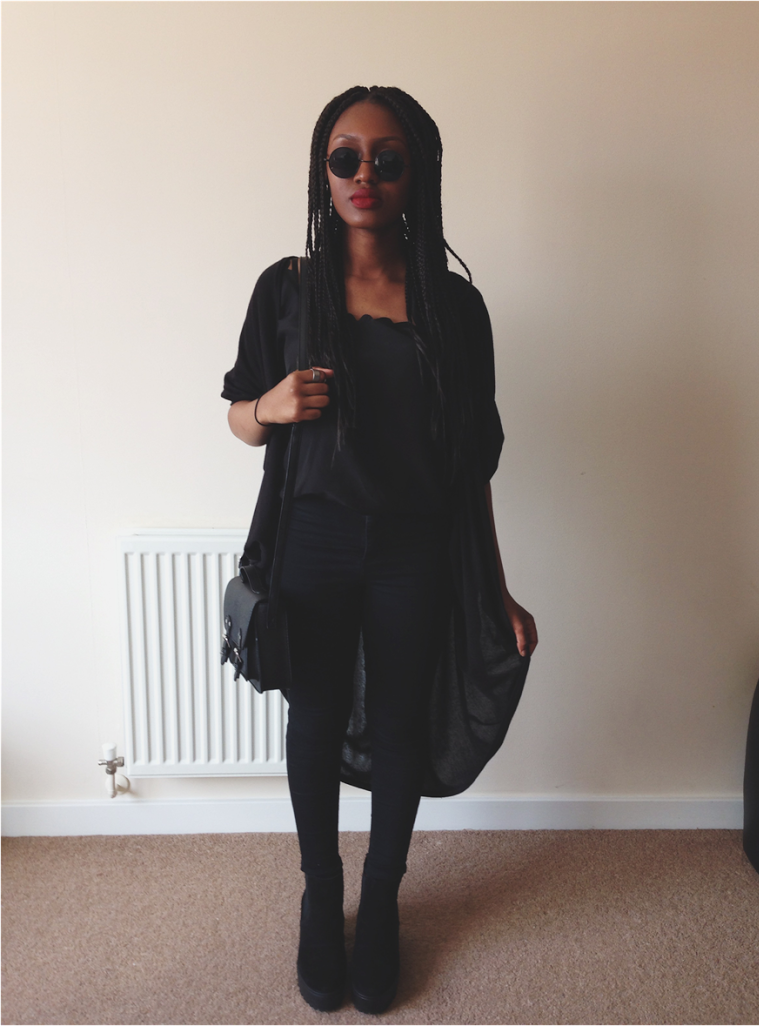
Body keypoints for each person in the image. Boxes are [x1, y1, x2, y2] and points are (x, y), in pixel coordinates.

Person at [222, 86, 538, 1015]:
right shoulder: (286, 287)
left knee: (400, 724)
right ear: (322, 172)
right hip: (312, 540)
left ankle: (383, 900)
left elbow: (471, 467)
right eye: (345, 156)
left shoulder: (454, 306)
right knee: (316, 719)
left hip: (416, 547)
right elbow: (240, 416)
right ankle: (322, 897)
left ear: (418, 173)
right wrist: (269, 405)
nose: (364, 174)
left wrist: (497, 590)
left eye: (387, 158)